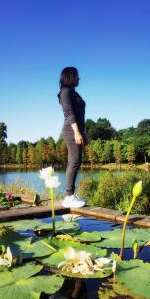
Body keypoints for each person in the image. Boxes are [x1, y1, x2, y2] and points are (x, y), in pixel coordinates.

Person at [58, 67, 87, 208]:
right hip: (71, 130)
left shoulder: (72, 92)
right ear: (70, 77)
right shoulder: (65, 92)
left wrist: (82, 132)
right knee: (75, 161)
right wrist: (76, 132)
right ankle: (69, 197)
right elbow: (69, 113)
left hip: (75, 129)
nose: (79, 78)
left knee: (74, 161)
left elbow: (79, 115)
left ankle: (70, 195)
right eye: (76, 76)